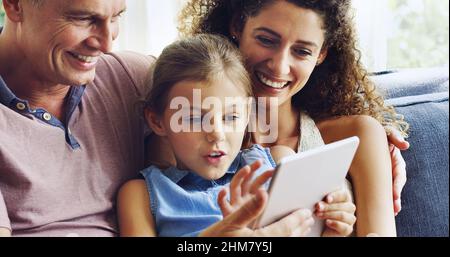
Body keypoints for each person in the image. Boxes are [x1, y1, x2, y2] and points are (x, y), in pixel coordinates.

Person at [175, 0, 412, 236]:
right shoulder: (189, 141)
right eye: (266, 40)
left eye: (302, 51)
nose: (279, 67)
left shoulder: (358, 135)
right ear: (237, 25)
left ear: (321, 54)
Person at [117, 34, 357, 237]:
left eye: (231, 117)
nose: (216, 135)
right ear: (157, 121)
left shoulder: (278, 163)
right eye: (193, 118)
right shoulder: (142, 194)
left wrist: (332, 227)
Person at [0, 0, 155, 236]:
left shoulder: (133, 79)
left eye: (115, 18)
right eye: (83, 18)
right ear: (14, 5)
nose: (106, 45)